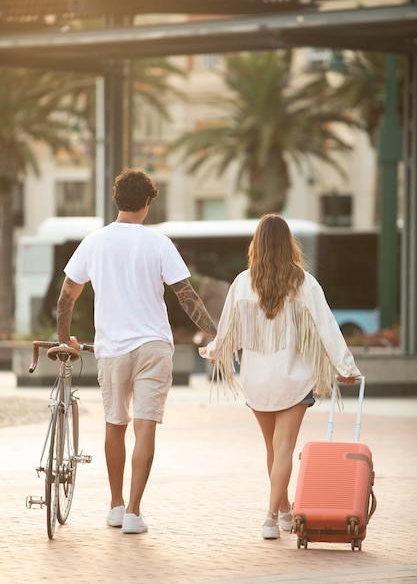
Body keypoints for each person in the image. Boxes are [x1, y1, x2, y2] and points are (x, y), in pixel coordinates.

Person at [56, 169, 216, 534]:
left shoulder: (94, 242)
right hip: (153, 346)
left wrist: (65, 338)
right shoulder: (158, 243)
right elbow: (187, 297)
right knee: (145, 427)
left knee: (115, 425)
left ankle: (114, 506)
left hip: (112, 349)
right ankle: (133, 512)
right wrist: (218, 332)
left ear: (117, 201)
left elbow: (67, 297)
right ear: (146, 204)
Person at [199, 214, 361, 540]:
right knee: (284, 447)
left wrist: (214, 350)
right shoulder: (305, 282)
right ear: (289, 244)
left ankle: (285, 510)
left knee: (274, 451)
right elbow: (327, 327)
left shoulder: (243, 282)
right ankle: (271, 517)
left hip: (257, 380)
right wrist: (345, 367)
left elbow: (227, 328)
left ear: (256, 245)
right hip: (294, 379)